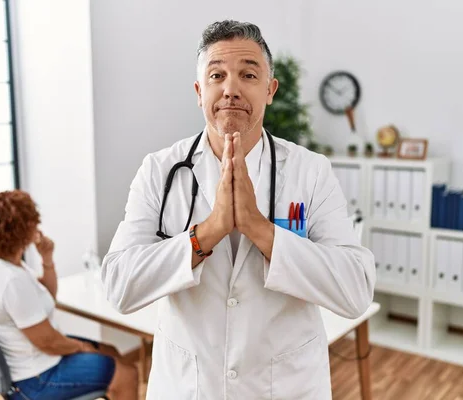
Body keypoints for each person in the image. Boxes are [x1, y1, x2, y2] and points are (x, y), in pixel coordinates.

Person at [103, 20, 376, 399]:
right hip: (188, 385)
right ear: (200, 92)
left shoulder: (310, 171)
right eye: (217, 75)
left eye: (248, 74)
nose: (231, 88)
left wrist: (259, 229)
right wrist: (208, 232)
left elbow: (356, 291)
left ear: (270, 90)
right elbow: (119, 287)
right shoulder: (159, 170)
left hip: (285, 386)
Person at [0, 190, 138, 400]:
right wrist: (82, 348)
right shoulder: (11, 281)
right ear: (20, 230)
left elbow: (47, 296)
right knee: (127, 374)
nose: (37, 226)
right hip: (36, 379)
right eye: (32, 221)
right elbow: (48, 342)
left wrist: (47, 259)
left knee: (109, 350)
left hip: (31, 363)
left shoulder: (0, 266)